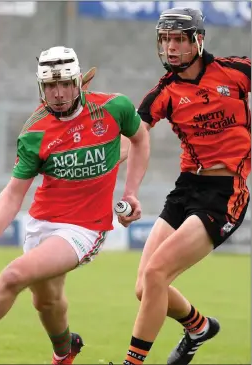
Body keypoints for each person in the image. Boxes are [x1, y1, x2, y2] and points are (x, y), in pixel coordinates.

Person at [0, 46, 150, 365]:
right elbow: (14, 192)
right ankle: (65, 352)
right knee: (47, 302)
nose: (59, 93)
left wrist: (131, 191)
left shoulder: (113, 108)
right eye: (50, 86)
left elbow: (140, 139)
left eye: (65, 83)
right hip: (42, 223)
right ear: (41, 87)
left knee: (13, 275)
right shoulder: (35, 132)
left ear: (79, 81)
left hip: (85, 229)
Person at [120, 7, 251, 365]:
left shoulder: (235, 71)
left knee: (155, 272)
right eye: (165, 39)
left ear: (198, 40)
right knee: (145, 287)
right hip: (186, 189)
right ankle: (199, 327)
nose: (171, 47)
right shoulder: (165, 91)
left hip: (224, 193)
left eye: (178, 39)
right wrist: (123, 187)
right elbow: (135, 135)